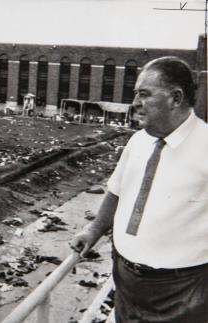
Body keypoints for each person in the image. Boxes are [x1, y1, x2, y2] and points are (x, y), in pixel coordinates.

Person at [70, 56, 208, 323]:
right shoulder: (138, 141)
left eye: (144, 94)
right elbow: (117, 190)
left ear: (176, 98)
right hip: (125, 280)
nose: (135, 103)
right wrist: (94, 229)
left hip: (181, 292)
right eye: (136, 94)